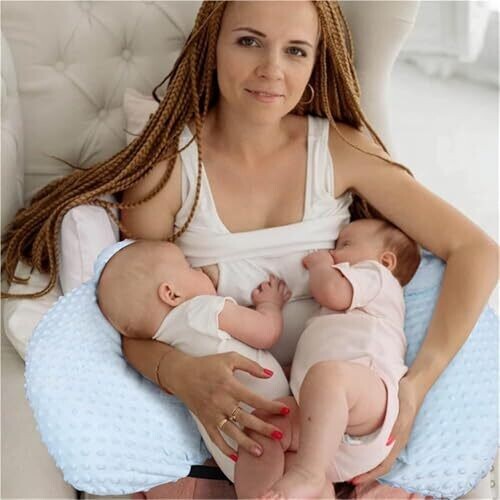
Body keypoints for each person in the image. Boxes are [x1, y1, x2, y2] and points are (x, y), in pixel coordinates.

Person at [2, 0, 497, 495]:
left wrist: (415, 387)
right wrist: (181, 374)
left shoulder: (338, 149)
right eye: (249, 41)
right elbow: (137, 317)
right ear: (212, 45)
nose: (271, 69)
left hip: (344, 420)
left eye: (295, 51)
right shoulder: (171, 167)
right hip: (244, 432)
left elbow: (476, 251)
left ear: (315, 62)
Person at [233, 218, 420, 499]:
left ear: (386, 260)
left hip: (369, 400)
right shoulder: (327, 318)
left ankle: (308, 473)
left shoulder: (377, 276)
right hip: (324, 440)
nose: (333, 252)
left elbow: (332, 291)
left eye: (345, 245)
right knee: (264, 423)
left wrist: (320, 266)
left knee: (327, 377)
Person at [96, 239, 292, 471]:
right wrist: (269, 304)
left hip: (234, 453)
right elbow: (266, 333)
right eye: (189, 267)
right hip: (273, 416)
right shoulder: (203, 309)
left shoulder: (162, 343)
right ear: (171, 294)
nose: (200, 270)